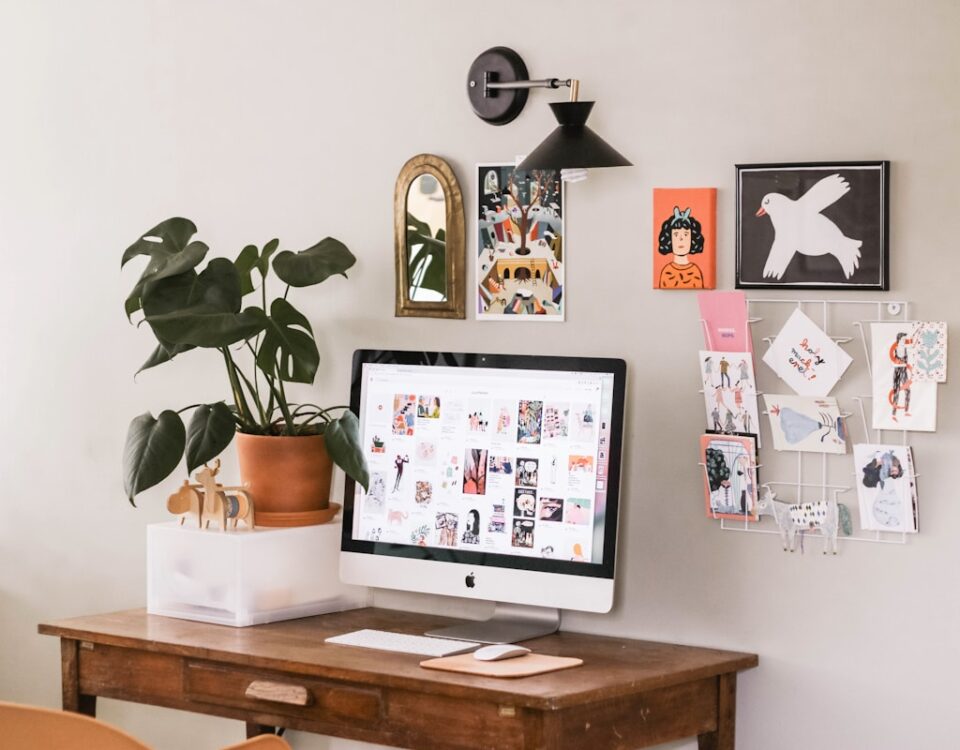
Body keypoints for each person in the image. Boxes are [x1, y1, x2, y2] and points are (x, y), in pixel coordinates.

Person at [656, 205, 707, 289]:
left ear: (692, 238)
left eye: (686, 234)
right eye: (676, 234)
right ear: (669, 239)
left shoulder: (695, 272)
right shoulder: (666, 272)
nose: (681, 239)